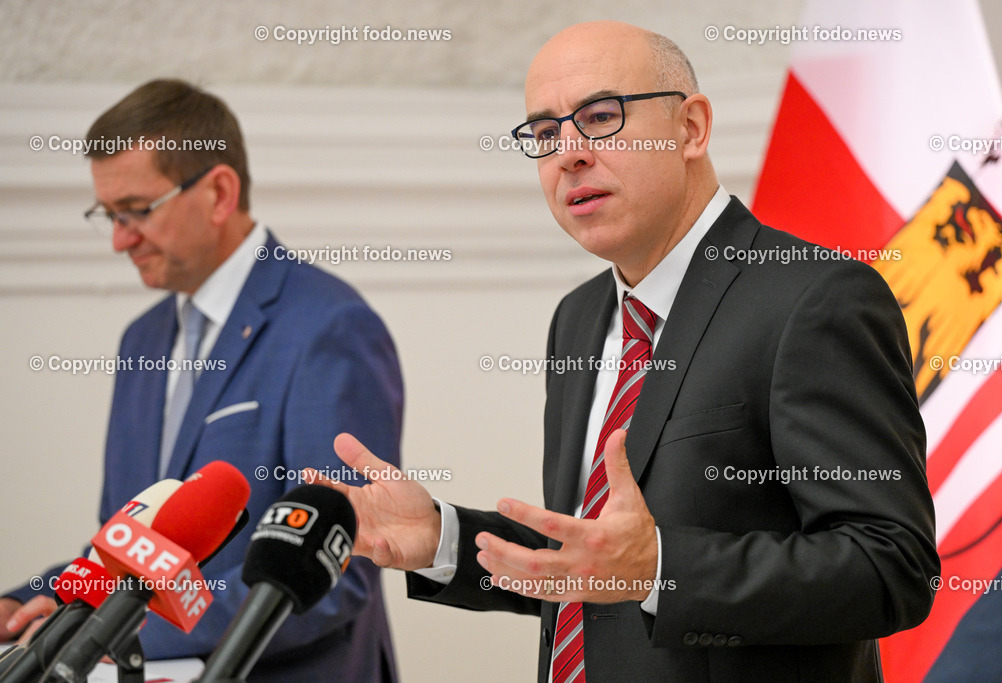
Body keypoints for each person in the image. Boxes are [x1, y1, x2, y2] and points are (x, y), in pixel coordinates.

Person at [311, 21, 939, 682]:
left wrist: (661, 569)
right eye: (546, 133)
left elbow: (891, 565)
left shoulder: (814, 299)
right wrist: (443, 537)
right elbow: (590, 560)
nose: (569, 154)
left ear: (691, 128)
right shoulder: (577, 319)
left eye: (600, 117)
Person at [0, 79, 403, 682]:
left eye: (137, 210)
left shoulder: (330, 327)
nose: (119, 239)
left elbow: (338, 570)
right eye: (109, 216)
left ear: (218, 193)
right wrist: (35, 601)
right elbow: (128, 548)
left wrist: (114, 630)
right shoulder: (141, 340)